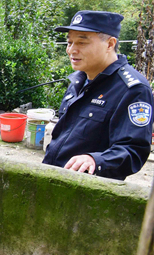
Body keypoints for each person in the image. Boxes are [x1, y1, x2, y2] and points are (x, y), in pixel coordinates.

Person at [43, 10, 153, 180]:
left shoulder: (133, 89)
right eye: (70, 42)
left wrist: (96, 160)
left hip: (89, 192)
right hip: (54, 180)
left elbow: (133, 150)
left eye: (81, 42)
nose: (72, 50)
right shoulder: (79, 80)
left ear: (110, 44)